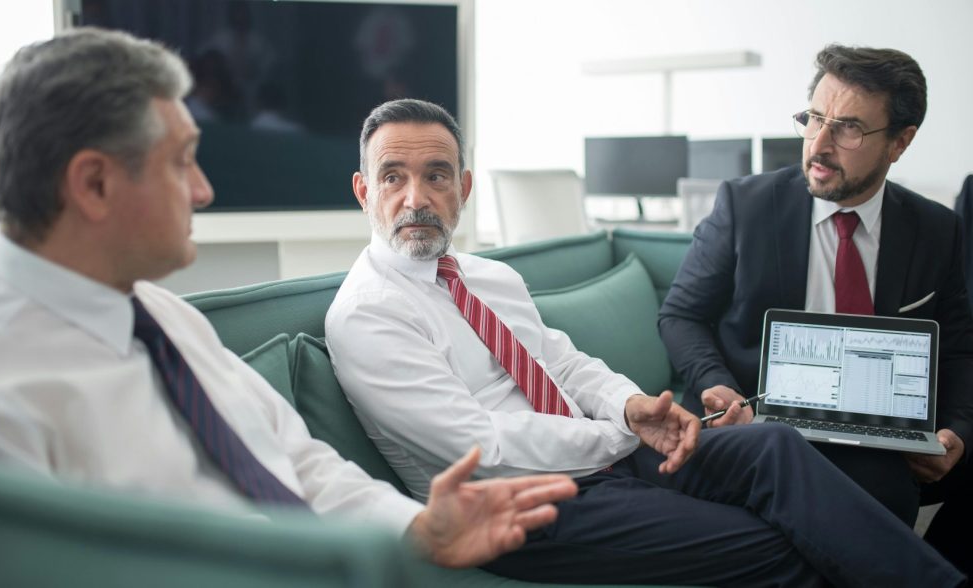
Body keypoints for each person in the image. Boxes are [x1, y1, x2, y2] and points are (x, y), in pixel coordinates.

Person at [0, 28, 580, 571]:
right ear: (94, 184)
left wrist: (415, 528)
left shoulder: (163, 317)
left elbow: (297, 459)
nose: (203, 191)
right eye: (181, 163)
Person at [324, 97, 963, 586]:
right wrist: (622, 434)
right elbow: (480, 447)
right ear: (363, 190)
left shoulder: (488, 277)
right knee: (783, 543)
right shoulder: (368, 314)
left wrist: (630, 406)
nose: (416, 198)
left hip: (604, 457)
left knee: (774, 443)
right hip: (518, 507)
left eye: (437, 176)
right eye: (393, 177)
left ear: (463, 188)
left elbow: (563, 362)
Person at [657, 44, 973, 573]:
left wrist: (957, 430)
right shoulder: (744, 205)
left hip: (876, 430)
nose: (819, 145)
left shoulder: (937, 230)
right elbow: (681, 315)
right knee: (876, 501)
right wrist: (717, 384)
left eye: (848, 128)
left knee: (894, 488)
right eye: (815, 119)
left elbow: (960, 349)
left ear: (900, 142)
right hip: (754, 423)